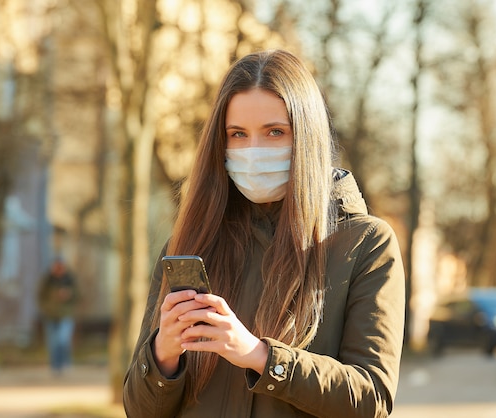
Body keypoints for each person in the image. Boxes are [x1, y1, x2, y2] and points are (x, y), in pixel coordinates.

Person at [123, 49, 405, 417]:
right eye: (238, 134)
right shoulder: (190, 244)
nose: (253, 150)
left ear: (306, 137)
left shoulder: (366, 244)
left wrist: (260, 356)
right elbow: (140, 410)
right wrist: (163, 354)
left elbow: (371, 400)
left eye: (275, 132)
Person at [37, 256, 79, 375]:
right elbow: (40, 297)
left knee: (63, 340)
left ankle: (65, 363)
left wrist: (69, 294)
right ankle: (55, 366)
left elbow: (78, 294)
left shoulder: (69, 279)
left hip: (65, 315)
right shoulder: (47, 280)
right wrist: (47, 308)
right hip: (50, 316)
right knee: (53, 342)